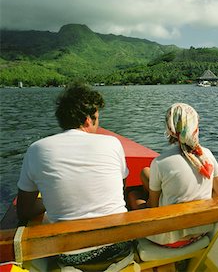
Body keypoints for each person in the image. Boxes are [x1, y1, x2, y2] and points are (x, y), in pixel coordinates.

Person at [16, 81, 132, 269]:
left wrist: (51, 200)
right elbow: (121, 188)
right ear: (88, 119)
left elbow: (24, 210)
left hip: (69, 258)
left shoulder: (36, 149)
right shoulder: (113, 143)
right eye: (97, 118)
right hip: (119, 250)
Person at [135, 102, 218, 247]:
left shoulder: (160, 162)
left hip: (169, 238)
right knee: (146, 174)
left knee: (133, 196)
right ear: (196, 127)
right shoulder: (207, 154)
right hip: (201, 231)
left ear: (169, 129)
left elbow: (153, 206)